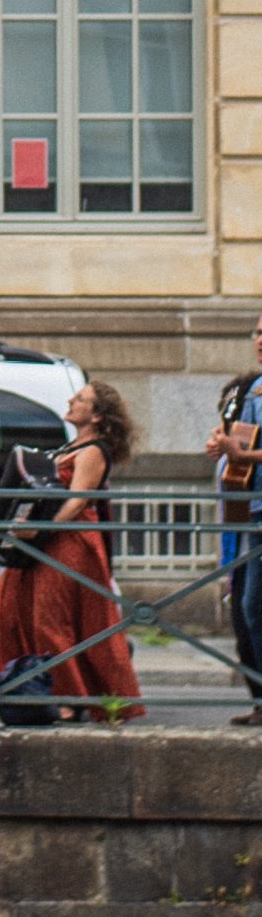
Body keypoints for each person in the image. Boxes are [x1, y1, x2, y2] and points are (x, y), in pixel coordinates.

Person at [0, 378, 144, 722]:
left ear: (98, 416)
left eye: (81, 399)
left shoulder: (93, 451)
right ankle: (22, 687)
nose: (72, 401)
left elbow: (77, 502)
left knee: (51, 619)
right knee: (7, 609)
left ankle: (66, 698)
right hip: (46, 541)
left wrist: (40, 530)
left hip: (69, 542)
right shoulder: (69, 447)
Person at [203, 310, 262, 724]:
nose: (260, 338)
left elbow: (246, 451)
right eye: (258, 331)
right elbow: (240, 442)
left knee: (252, 605)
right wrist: (224, 447)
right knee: (247, 608)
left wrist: (240, 454)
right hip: (251, 510)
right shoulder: (254, 389)